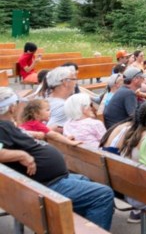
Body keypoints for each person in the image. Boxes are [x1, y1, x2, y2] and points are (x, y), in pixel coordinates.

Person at [0, 87, 116, 231]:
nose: (19, 107)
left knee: (84, 180)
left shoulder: (6, 126)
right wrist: (22, 155)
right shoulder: (3, 127)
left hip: (47, 182)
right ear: (11, 107)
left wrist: (31, 134)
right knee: (103, 194)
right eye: (17, 103)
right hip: (47, 186)